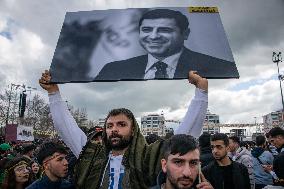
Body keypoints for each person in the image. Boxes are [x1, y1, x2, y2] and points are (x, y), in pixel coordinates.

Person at [39, 70, 208, 188]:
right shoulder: (91, 155)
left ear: (133, 130)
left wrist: (201, 91)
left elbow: (185, 136)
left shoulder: (150, 156)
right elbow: (66, 128)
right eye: (110, 125)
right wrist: (53, 92)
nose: (114, 130)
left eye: (121, 125)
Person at [95, 9, 238, 81]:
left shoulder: (222, 68)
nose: (153, 36)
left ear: (185, 34)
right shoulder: (112, 69)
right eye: (146, 30)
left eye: (164, 30)